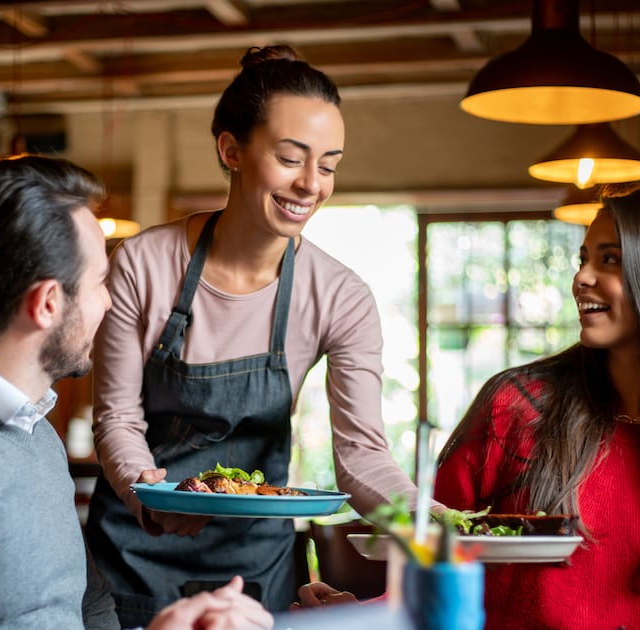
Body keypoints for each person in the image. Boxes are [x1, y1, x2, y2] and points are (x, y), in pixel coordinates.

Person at [85, 44, 423, 626]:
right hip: (135, 553)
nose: (311, 184)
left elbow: (362, 455)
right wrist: (148, 497)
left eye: (329, 165)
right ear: (231, 150)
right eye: (291, 158)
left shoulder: (340, 295)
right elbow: (116, 417)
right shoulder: (144, 262)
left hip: (257, 567)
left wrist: (429, 518)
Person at [0, 155, 271, 630]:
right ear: (47, 304)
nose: (108, 302)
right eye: (100, 282)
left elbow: (91, 610)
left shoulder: (35, 431)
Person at [433, 187, 640, 629]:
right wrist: (356, 607)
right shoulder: (513, 405)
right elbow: (429, 549)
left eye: (609, 260)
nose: (581, 278)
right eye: (583, 259)